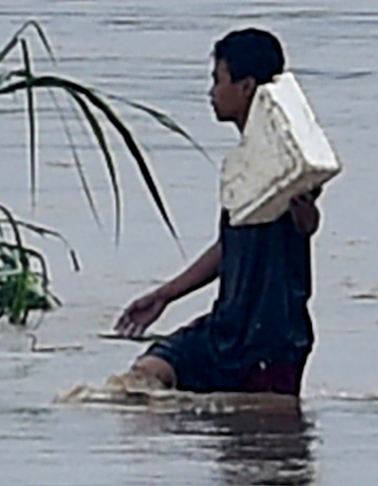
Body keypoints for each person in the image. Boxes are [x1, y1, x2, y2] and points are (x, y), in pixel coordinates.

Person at [108, 27, 324, 397]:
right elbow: (230, 246)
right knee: (141, 380)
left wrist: (304, 215)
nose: (211, 93)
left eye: (217, 80)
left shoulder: (289, 163)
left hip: (272, 337)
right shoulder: (245, 167)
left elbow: (306, 224)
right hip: (225, 326)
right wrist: (165, 294)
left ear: (246, 87)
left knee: (262, 444)